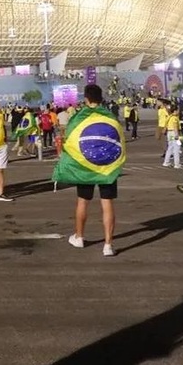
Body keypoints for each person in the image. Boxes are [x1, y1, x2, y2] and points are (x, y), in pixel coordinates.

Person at [53, 84, 126, 257]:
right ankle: (108, 245)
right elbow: (120, 138)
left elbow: (69, 138)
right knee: (107, 203)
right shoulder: (110, 116)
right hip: (107, 167)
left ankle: (79, 237)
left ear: (86, 98)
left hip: (85, 165)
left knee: (83, 201)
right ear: (101, 98)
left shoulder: (78, 117)